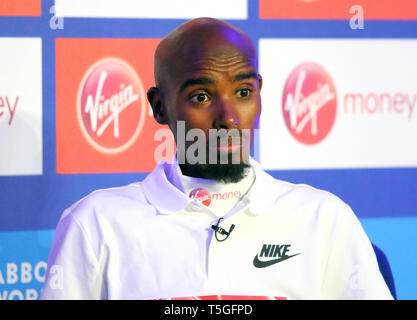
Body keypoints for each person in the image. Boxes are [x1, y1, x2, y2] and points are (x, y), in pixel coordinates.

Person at [41, 18, 393, 300]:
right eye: (202, 96)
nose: (229, 117)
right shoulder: (95, 225)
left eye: (243, 92)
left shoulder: (325, 220)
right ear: (159, 106)